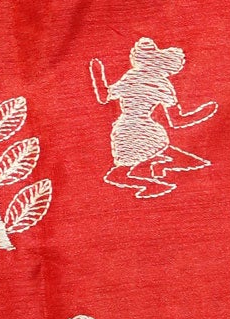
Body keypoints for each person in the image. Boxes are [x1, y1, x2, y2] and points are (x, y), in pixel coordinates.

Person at [89, 37, 216, 199]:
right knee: (142, 160)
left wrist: (98, 74)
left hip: (124, 129)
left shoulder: (132, 76)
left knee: (123, 170)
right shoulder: (162, 85)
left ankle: (155, 174)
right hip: (145, 131)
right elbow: (177, 120)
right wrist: (203, 113)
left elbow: (104, 96)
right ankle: (156, 174)